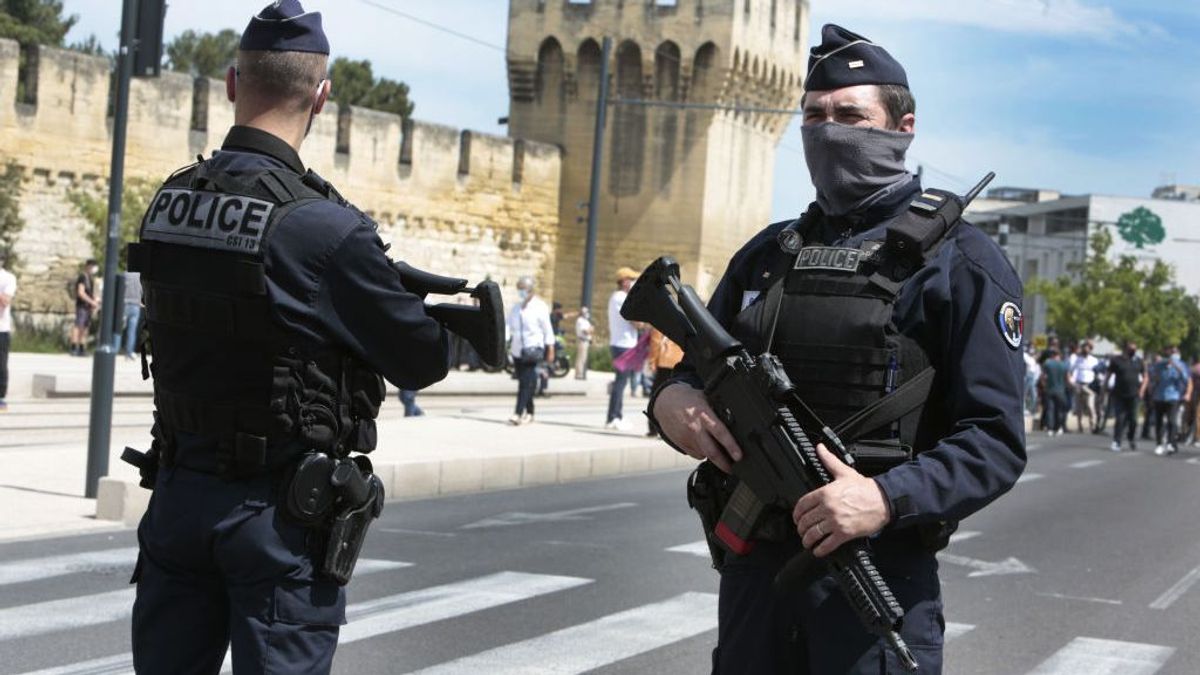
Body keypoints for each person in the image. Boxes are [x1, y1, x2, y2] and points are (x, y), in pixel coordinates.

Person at [648, 25, 1025, 673]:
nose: (828, 130)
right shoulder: (768, 255)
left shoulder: (961, 262)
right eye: (814, 116)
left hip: (875, 568)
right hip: (755, 578)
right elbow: (685, 373)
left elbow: (994, 440)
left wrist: (884, 498)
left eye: (851, 115)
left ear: (902, 127)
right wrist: (671, 403)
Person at [125, 4, 452, 672]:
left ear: (230, 84)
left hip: (178, 495)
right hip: (276, 518)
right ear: (321, 97)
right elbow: (421, 358)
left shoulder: (169, 201)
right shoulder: (326, 229)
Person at [507, 275, 554, 425]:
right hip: (517, 350)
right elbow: (508, 327)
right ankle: (531, 412)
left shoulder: (540, 307)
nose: (521, 292)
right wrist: (503, 342)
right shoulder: (516, 308)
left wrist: (550, 347)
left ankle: (517, 413)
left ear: (531, 290)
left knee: (524, 382)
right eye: (519, 289)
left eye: (524, 289)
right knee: (526, 381)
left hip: (533, 348)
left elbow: (548, 329)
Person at [606, 267, 640, 430]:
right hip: (623, 345)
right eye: (632, 279)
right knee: (620, 383)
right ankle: (613, 417)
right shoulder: (620, 298)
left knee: (621, 382)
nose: (634, 283)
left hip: (622, 344)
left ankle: (616, 415)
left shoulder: (617, 297)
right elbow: (635, 321)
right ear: (625, 281)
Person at [1149, 345, 1189, 456]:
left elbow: (1185, 379)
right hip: (1159, 396)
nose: (1172, 355)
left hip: (1173, 396)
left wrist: (1176, 366)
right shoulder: (1160, 365)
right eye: (1170, 352)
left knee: (1172, 421)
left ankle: (1171, 443)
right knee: (1159, 422)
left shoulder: (1181, 364)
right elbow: (1153, 376)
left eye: (1174, 352)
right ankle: (1159, 444)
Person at [1107, 341, 1146, 452]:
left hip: (1134, 395)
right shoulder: (1116, 360)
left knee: (1133, 419)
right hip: (1119, 394)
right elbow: (1108, 375)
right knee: (1120, 418)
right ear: (1125, 349)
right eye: (1131, 349)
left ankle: (1131, 437)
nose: (1133, 351)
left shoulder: (1139, 361)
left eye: (1134, 349)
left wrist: (1142, 389)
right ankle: (1116, 441)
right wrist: (1104, 390)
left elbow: (1145, 376)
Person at [644, 328, 683, 437]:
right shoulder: (686, 318)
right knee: (675, 399)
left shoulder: (660, 319)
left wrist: (652, 361)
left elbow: (656, 341)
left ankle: (653, 429)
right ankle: (670, 432)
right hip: (680, 362)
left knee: (656, 396)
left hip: (665, 363)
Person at [70, 258, 99, 356]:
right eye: (93, 266)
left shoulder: (90, 278)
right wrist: (91, 302)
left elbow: (91, 292)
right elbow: (81, 292)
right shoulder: (82, 277)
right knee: (78, 325)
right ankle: (74, 347)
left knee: (85, 327)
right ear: (88, 267)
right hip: (82, 306)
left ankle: (82, 347)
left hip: (88, 306)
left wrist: (95, 300)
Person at [1068, 341, 1098, 433]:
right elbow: (1071, 371)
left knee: (1090, 406)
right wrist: (1072, 382)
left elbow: (1098, 373)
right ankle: (1080, 426)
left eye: (1087, 348)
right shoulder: (1077, 359)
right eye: (1084, 348)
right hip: (1079, 384)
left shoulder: (1094, 360)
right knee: (1079, 407)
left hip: (1089, 385)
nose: (1085, 350)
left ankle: (1093, 425)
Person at [1041, 348, 1069, 436]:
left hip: (1050, 390)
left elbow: (1043, 377)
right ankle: (1059, 428)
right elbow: (1067, 378)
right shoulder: (1064, 365)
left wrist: (1044, 386)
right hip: (1060, 390)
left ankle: (1050, 429)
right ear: (1059, 355)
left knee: (1050, 409)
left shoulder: (1047, 364)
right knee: (1060, 410)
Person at [0, 251, 15, 411]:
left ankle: (1, 397)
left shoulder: (9, 278)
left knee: (1, 364)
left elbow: (5, 301)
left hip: (1, 328)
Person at [120, 270, 142, 359]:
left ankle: (115, 348)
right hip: (136, 305)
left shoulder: (125, 274)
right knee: (132, 331)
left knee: (119, 329)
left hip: (124, 304)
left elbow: (120, 288)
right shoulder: (140, 276)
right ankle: (129, 352)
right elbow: (142, 290)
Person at [574, 305, 593, 380]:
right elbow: (585, 331)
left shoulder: (586, 321)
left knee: (583, 358)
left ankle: (580, 373)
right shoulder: (580, 320)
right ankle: (579, 374)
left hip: (586, 341)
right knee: (581, 358)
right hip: (582, 340)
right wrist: (591, 329)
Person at [1022, 344, 1040, 418]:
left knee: (1034, 395)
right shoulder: (1025, 355)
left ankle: (1031, 410)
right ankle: (1024, 409)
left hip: (1032, 377)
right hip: (1027, 376)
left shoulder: (1033, 359)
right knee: (1024, 394)